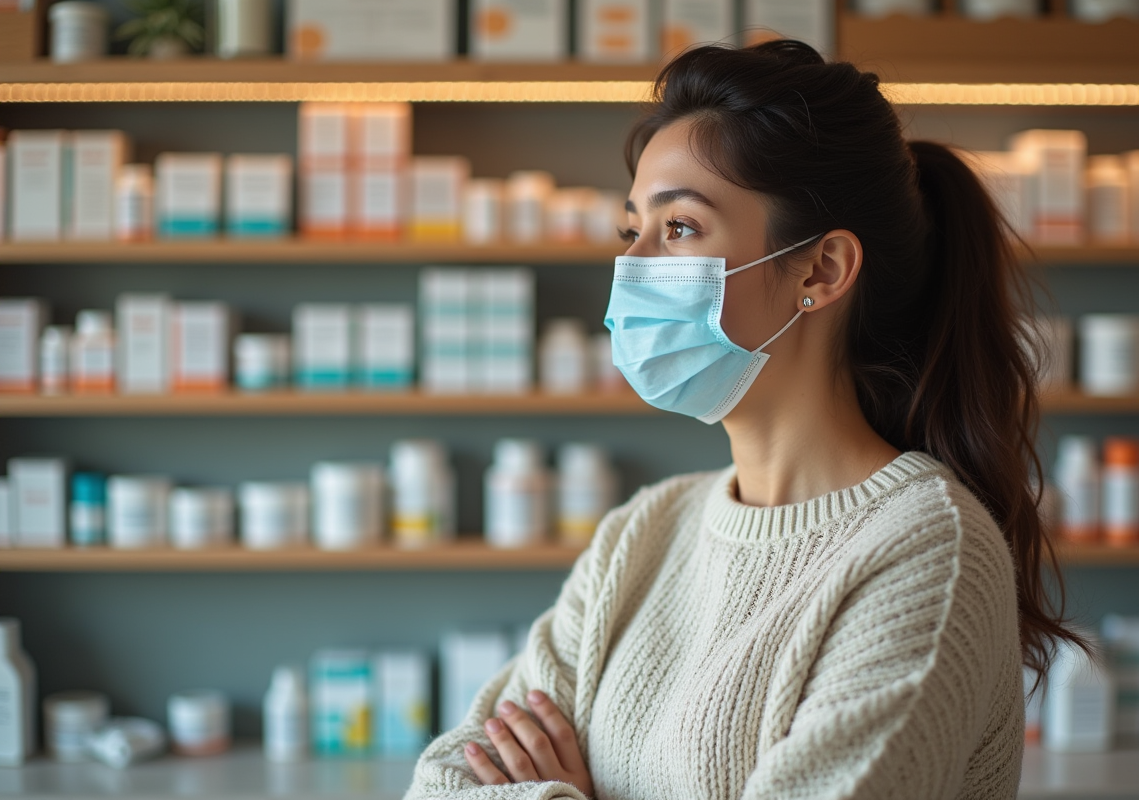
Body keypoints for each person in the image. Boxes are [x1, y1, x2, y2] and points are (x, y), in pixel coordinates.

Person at [403, 40, 1086, 800]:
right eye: (633, 230)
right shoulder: (643, 534)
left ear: (820, 270)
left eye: (682, 228)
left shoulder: (925, 552)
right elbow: (447, 780)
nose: (636, 267)